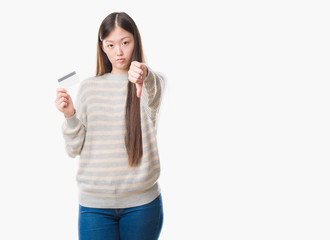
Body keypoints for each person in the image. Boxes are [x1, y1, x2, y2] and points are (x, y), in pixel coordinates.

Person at [55, 11, 166, 240]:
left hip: (142, 205)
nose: (119, 51)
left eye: (125, 42)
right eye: (111, 44)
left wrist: (144, 75)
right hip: (94, 207)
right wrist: (70, 116)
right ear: (102, 47)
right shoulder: (88, 87)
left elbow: (153, 89)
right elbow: (73, 149)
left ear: (135, 41)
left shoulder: (148, 83)